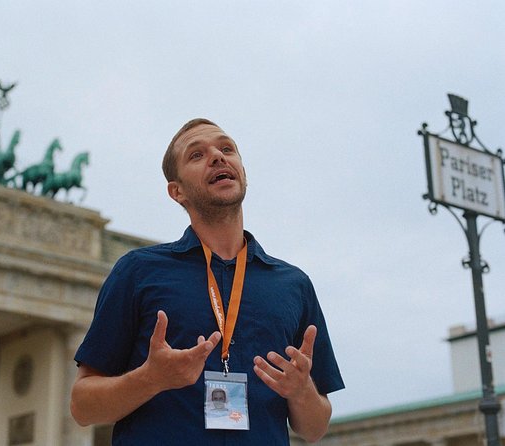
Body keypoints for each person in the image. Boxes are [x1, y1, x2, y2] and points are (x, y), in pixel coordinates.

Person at [70, 118, 344, 445]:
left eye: (227, 148)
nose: (217, 156)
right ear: (177, 192)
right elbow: (82, 406)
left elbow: (314, 428)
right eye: (196, 155)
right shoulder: (137, 271)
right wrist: (150, 378)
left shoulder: (294, 285)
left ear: (242, 171)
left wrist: (302, 392)